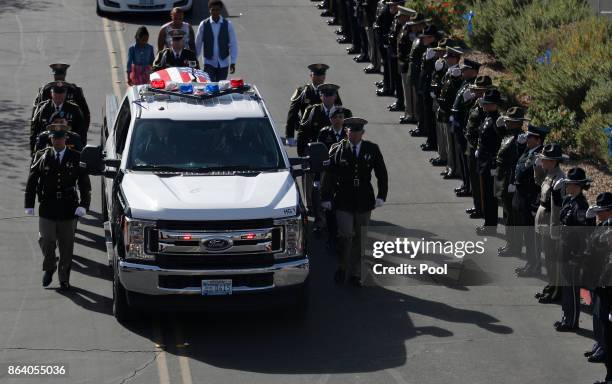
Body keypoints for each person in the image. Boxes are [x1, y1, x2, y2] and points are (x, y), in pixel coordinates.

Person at [321, 117, 388, 286]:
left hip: (364, 199)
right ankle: (343, 267)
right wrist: (326, 197)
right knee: (345, 235)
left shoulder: (371, 149)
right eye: (350, 131)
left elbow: (381, 173)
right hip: (343, 198)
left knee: (360, 238)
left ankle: (356, 273)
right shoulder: (337, 149)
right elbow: (329, 175)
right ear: (346, 132)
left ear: (362, 133)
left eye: (357, 131)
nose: (353, 134)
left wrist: (382, 195)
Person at [24, 126, 91, 291]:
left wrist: (84, 205)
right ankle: (49, 266)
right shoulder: (42, 156)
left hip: (68, 208)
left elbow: (84, 184)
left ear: (65, 139)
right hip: (47, 207)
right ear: (51, 139)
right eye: (54, 138)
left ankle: (64, 279)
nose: (57, 141)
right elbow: (32, 181)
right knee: (46, 240)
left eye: (60, 138)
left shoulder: (76, 157)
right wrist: (29, 204)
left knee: (66, 247)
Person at [554, 167, 595, 332]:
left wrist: (578, 255)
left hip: (572, 253)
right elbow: (560, 212)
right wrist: (556, 193)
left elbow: (583, 233)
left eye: (569, 184)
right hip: (564, 249)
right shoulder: (569, 201)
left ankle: (572, 321)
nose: (567, 186)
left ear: (577, 186)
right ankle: (566, 317)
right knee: (566, 288)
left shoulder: (581, 206)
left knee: (572, 289)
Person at [534, 143, 567, 303]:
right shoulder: (550, 174)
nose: (542, 162)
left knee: (552, 259)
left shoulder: (559, 179)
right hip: (543, 220)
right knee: (547, 258)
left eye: (545, 160)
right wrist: (536, 167)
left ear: (553, 161)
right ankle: (550, 286)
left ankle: (556, 292)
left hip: (550, 222)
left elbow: (557, 208)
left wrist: (555, 230)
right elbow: (538, 182)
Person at [514, 124, 548, 277]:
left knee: (532, 236)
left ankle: (534, 265)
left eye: (530, 137)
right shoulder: (529, 150)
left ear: (538, 140)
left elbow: (540, 181)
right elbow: (519, 165)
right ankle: (530, 262)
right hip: (522, 197)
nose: (527, 139)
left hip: (530, 199)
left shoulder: (541, 157)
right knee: (527, 234)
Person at [584, 192, 612, 375]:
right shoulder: (603, 224)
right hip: (599, 280)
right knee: (598, 315)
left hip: (607, 284)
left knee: (605, 322)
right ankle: (601, 346)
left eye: (601, 211)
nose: (598, 214)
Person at [495, 107, 529, 256]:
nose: (507, 123)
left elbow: (517, 163)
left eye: (510, 121)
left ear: (517, 123)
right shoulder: (510, 134)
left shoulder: (519, 139)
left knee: (512, 216)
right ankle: (510, 243)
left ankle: (514, 246)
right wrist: (500, 126)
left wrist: (513, 182)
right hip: (503, 177)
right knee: (507, 213)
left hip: (510, 178)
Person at [285, 63, 343, 146]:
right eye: (316, 75)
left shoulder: (332, 91)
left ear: (325, 76)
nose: (319, 78)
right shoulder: (303, 92)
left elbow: (339, 111)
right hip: (309, 133)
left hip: (328, 133)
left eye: (322, 75)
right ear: (311, 76)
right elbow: (292, 114)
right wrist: (289, 136)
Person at [463, 75, 494, 219]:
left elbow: (484, 127)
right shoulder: (476, 103)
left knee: (480, 182)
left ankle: (482, 209)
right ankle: (477, 206)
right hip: (470, 145)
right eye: (476, 90)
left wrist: (482, 108)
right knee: (473, 181)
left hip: (478, 148)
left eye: (480, 90)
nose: (477, 93)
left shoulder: (486, 107)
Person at [317, 106, 348, 246]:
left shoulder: (348, 134)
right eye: (335, 117)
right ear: (330, 119)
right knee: (329, 208)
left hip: (343, 176)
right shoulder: (324, 133)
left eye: (341, 117)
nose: (338, 120)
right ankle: (331, 237)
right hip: (328, 174)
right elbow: (319, 154)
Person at [450, 58, 481, 196]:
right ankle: (466, 183)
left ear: (474, 72)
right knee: (462, 156)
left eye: (466, 70)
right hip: (458, 122)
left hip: (464, 124)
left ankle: (469, 186)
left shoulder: (473, 87)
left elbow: (469, 110)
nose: (463, 71)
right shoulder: (465, 83)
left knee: (466, 157)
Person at [474, 89, 502, 236]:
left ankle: (491, 225)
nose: (484, 106)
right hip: (483, 162)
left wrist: (494, 163)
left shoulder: (498, 121)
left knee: (491, 197)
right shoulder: (487, 117)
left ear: (494, 105)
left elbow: (499, 143)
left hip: (490, 163)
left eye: (487, 104)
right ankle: (488, 222)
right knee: (485, 194)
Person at [31, 82, 86, 154]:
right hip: (48, 142)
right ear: (51, 93)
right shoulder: (44, 108)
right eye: (56, 93)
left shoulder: (74, 109)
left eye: (61, 94)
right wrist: (34, 151)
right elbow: (35, 129)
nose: (58, 96)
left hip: (69, 144)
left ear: (65, 94)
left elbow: (82, 131)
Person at [32, 63, 90, 131]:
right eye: (57, 76)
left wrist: (82, 133)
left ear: (64, 75)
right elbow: (35, 115)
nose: (59, 78)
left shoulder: (74, 90)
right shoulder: (45, 90)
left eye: (60, 75)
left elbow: (85, 114)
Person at [436, 45, 464, 180]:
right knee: (448, 143)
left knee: (452, 144)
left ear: (456, 59)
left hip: (449, 113)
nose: (447, 60)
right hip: (444, 111)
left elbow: (454, 95)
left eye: (450, 58)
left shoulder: (457, 74)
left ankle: (454, 169)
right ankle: (450, 166)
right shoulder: (448, 71)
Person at [195, 0, 238, 82]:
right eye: (213, 10)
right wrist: (195, 59)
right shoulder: (203, 24)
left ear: (221, 10)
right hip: (209, 62)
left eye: (217, 10)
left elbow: (233, 44)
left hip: (223, 63)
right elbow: (198, 44)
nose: (215, 12)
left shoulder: (228, 25)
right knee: (211, 86)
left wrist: (233, 61)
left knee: (221, 87)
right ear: (209, 10)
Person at [397, 12, 426, 125]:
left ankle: (413, 115)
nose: (413, 26)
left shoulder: (422, 36)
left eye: (416, 24)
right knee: (408, 92)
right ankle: (410, 113)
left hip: (414, 68)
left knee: (412, 94)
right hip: (407, 66)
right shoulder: (410, 32)